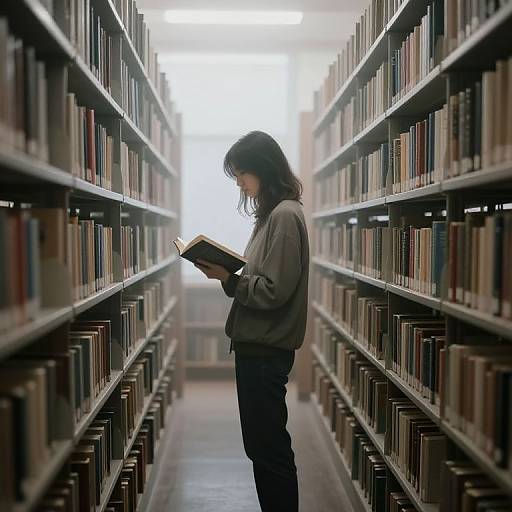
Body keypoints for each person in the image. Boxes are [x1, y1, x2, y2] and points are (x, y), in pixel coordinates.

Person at [194, 131, 310, 512]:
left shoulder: (285, 216)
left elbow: (274, 291)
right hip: (255, 347)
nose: (240, 184)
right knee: (261, 447)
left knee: (269, 449)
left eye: (242, 174)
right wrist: (228, 277)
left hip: (265, 351)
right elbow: (260, 282)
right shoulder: (271, 216)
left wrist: (229, 278)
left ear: (264, 169)